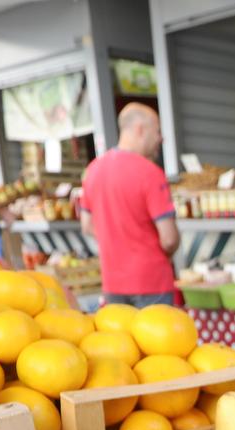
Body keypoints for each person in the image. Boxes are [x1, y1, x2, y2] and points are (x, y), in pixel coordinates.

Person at [80, 103, 180, 307]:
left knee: (120, 339)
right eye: (157, 131)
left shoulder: (93, 170)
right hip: (152, 283)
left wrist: (116, 240)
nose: (160, 139)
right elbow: (169, 239)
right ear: (140, 130)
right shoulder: (151, 173)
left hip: (112, 284)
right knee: (158, 340)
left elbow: (87, 225)